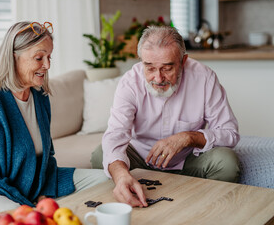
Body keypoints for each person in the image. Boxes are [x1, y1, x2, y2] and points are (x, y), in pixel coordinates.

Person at [0, 21, 108, 224]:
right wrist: (29, 204)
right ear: (14, 57)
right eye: (39, 58)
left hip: (34, 179)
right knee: (26, 217)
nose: (47, 65)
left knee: (107, 181)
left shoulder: (39, 95)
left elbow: (47, 156)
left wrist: (43, 192)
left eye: (49, 57)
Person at [91, 25, 240, 207]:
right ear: (141, 62)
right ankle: (129, 190)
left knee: (227, 162)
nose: (158, 78)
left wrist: (189, 137)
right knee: (101, 155)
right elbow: (115, 134)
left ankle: (206, 207)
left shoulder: (204, 78)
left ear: (183, 61)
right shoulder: (130, 82)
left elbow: (230, 133)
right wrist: (121, 175)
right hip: (141, 160)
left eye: (167, 68)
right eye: (150, 68)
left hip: (187, 160)